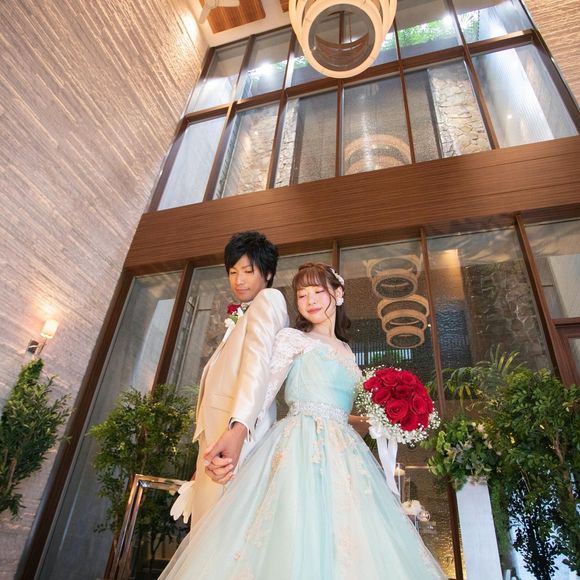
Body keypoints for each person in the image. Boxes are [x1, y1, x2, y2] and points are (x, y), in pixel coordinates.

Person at [162, 262, 446, 579]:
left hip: (344, 455)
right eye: (301, 294)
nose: (309, 300)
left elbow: (337, 413)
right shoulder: (293, 339)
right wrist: (236, 431)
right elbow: (262, 392)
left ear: (338, 293)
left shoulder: (348, 351)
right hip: (299, 446)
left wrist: (377, 420)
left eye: (318, 292)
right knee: (296, 531)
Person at [171, 231, 289, 525]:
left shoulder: (269, 299)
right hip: (218, 441)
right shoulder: (245, 314)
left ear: (268, 273)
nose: (239, 280)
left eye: (248, 271)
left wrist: (238, 431)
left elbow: (257, 366)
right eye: (233, 272)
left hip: (236, 437)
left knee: (222, 530)